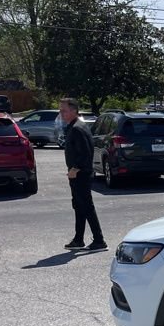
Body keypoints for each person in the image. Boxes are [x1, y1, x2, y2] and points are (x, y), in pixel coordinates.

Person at [59, 97, 106, 251]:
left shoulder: (77, 128)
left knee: (86, 206)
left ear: (74, 111)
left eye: (64, 110)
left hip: (81, 175)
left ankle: (99, 240)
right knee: (79, 206)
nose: (61, 113)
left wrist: (75, 169)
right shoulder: (76, 126)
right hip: (78, 174)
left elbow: (85, 153)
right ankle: (78, 239)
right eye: (60, 110)